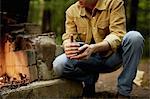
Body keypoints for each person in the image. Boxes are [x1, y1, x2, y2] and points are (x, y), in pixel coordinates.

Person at [53, 0, 144, 98]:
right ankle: (89, 79)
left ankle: (123, 92)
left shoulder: (114, 3)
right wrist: (67, 44)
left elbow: (118, 34)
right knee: (59, 65)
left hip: (112, 57)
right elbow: (68, 37)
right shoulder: (71, 11)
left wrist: (94, 48)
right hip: (87, 59)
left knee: (135, 38)